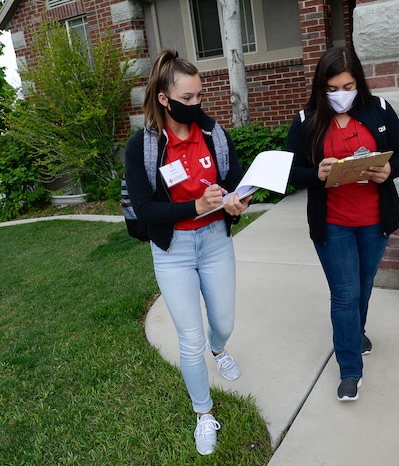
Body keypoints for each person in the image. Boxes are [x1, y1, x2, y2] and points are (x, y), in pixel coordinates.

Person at [124, 49, 251, 455]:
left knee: (223, 322)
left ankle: (220, 347)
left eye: (200, 95)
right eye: (188, 98)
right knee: (190, 338)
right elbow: (145, 210)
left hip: (215, 242)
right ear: (164, 98)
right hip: (173, 251)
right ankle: (203, 413)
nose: (197, 104)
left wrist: (237, 201)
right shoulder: (142, 147)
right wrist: (195, 206)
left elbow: (235, 181)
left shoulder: (213, 135)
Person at [286, 46, 399, 401]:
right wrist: (316, 173)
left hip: (374, 220)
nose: (340, 95)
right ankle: (350, 370)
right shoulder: (306, 120)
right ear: (320, 87)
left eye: (347, 86)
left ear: (359, 82)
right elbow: (290, 172)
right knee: (344, 294)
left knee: (363, 285)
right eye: (332, 89)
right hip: (333, 223)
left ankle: (356, 332)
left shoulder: (379, 110)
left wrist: (389, 170)